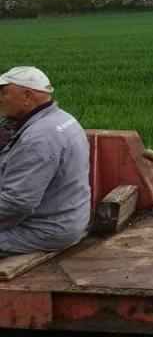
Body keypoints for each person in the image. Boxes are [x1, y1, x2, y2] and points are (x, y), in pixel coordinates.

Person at [0, 66, 90, 256]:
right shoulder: (62, 118)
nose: (0, 99)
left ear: (27, 95)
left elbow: (17, 203)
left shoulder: (37, 139)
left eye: (4, 92)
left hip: (43, 229)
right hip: (67, 216)